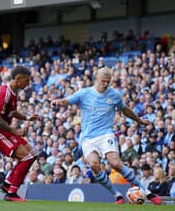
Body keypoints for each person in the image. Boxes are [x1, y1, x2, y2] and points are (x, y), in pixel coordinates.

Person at [52, 67, 162, 205]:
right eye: (103, 81)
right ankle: (117, 195)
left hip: (105, 134)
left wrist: (138, 120)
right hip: (88, 137)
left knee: (115, 163)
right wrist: (57, 102)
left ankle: (148, 193)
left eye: (108, 82)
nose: (105, 84)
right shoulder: (84, 93)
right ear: (96, 79)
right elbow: (67, 101)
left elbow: (125, 109)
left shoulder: (114, 95)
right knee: (94, 164)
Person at [0, 66, 40, 202]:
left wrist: (27, 118)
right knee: (26, 158)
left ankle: (7, 184)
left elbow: (12, 112)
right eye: (26, 81)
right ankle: (11, 193)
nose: (28, 84)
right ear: (18, 79)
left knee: (33, 154)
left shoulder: (13, 91)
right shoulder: (4, 93)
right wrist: (15, 131)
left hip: (5, 132)